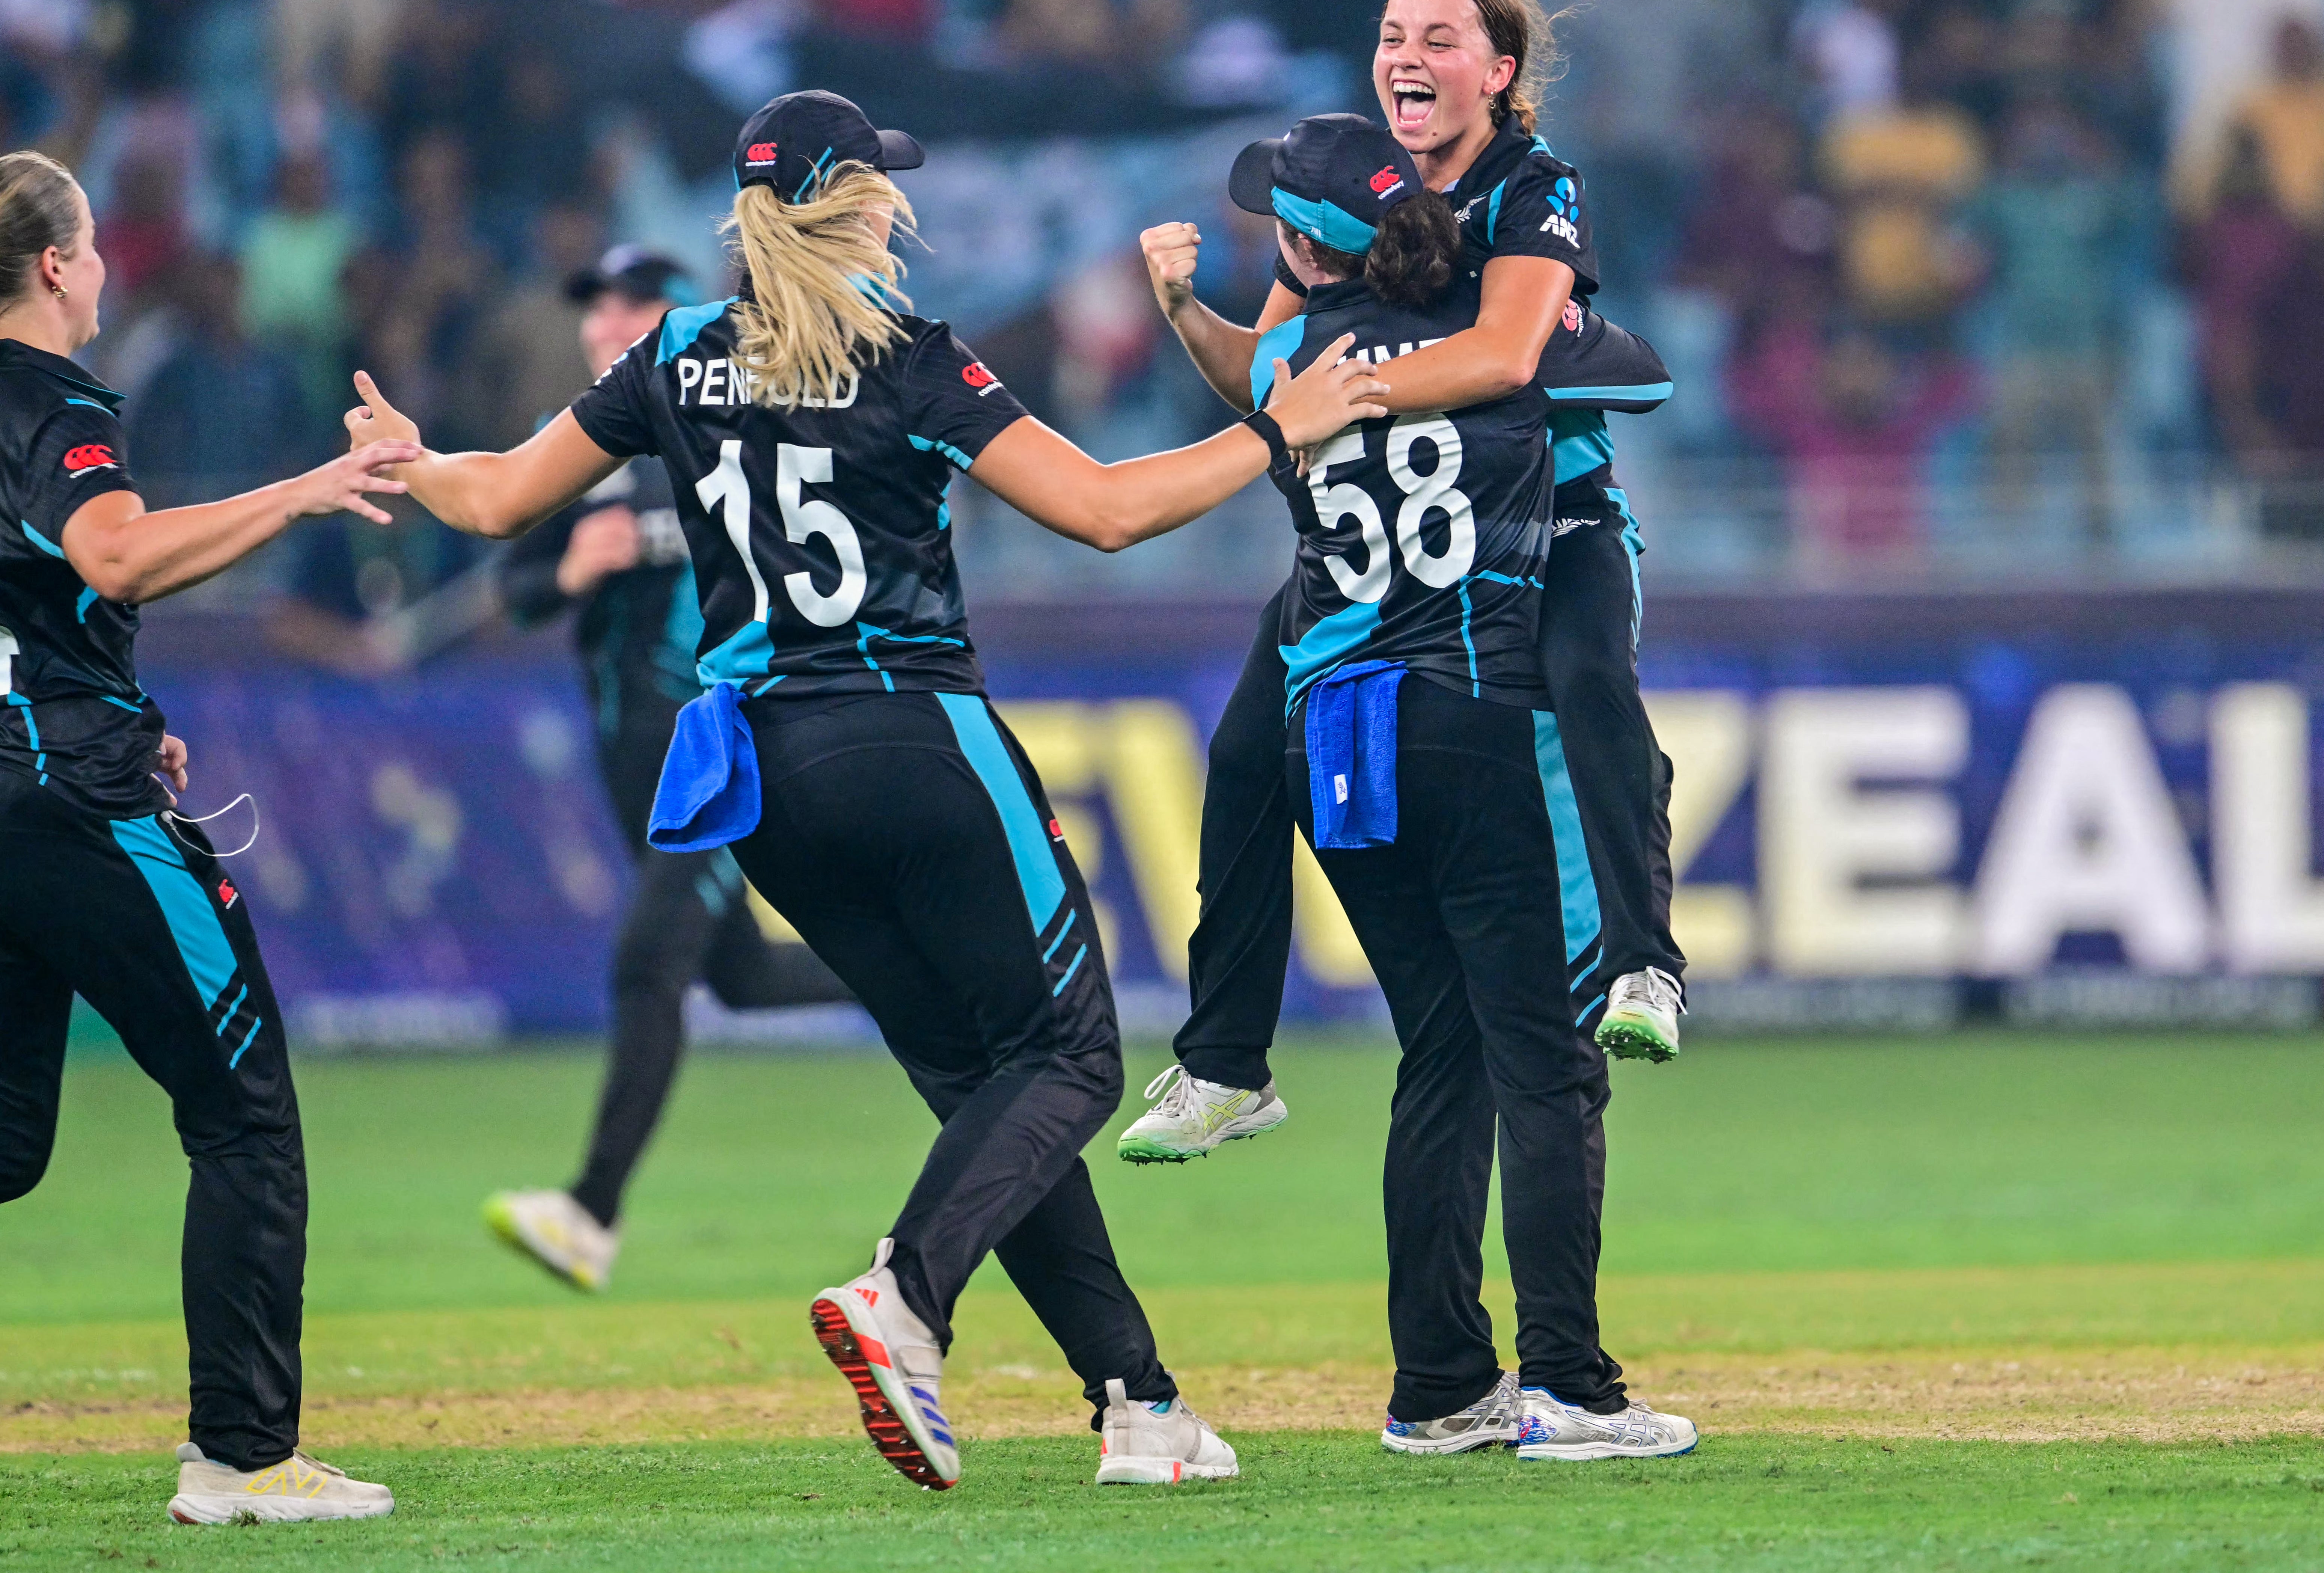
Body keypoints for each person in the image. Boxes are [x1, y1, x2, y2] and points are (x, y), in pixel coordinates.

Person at [343, 90, 1389, 1491]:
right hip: (912, 737)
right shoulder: (909, 355)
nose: (901, 200)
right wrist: (1281, 426)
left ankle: (1137, 1401)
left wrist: (410, 464)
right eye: (883, 184)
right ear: (856, 202)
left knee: (983, 1085)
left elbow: (491, 503)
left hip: (765, 781)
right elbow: (1104, 511)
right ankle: (905, 1299)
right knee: (1071, 1055)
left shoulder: (676, 354)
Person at [1126, 0, 1686, 1166]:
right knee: (1239, 755)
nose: (1405, 58)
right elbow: (1268, 382)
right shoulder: (1344, 195)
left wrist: (1349, 392)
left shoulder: (1534, 185)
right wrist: (1180, 308)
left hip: (1554, 520)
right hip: (1381, 549)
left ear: (1497, 70)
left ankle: (1644, 964)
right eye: (1392, 35)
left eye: (1437, 39)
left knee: (1591, 681)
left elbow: (1501, 355)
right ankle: (1224, 1060)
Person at [1231, 113, 1699, 1461]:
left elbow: (1241, 374)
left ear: (1305, 251)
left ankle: (1437, 1383)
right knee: (1543, 1060)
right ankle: (1569, 1383)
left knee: (1438, 1055)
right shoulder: (1507, 359)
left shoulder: (1285, 364)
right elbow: (1641, 377)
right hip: (1476, 715)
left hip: (1343, 748)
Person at [0, 149, 412, 1525]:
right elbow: (112, 553)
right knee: (244, 1115)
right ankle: (241, 1457)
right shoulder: (56, 404)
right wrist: (303, 491)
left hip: (21, 771)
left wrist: (106, 697)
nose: (108, 268)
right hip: (75, 798)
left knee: (2, 1143)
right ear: (57, 265)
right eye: (96, 246)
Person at [481, 245, 856, 1294]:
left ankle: (588, 1213)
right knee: (737, 976)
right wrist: (568, 567)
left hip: (721, 758)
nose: (607, 322)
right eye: (597, 306)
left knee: (648, 964)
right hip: (634, 776)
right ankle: (932, 973)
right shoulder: (586, 449)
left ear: (677, 319)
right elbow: (515, 588)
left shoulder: (714, 428)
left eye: (632, 304)